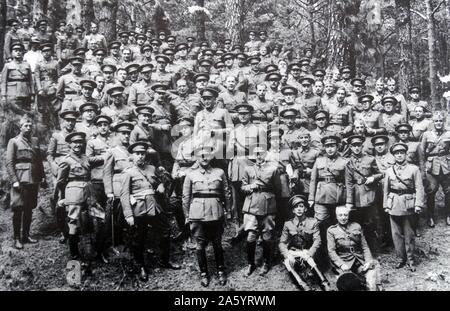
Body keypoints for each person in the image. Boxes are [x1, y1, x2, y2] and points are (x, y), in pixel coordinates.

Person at [120, 142, 181, 281]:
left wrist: (160, 185)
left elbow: (158, 181)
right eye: (137, 154)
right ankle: (141, 266)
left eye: (143, 153)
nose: (140, 156)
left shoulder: (151, 168)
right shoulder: (128, 172)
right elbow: (124, 195)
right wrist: (128, 214)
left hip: (154, 206)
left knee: (166, 230)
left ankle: (164, 260)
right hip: (139, 209)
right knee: (139, 238)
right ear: (132, 156)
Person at [182, 144, 233, 287]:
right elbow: (185, 197)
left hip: (216, 212)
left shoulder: (220, 172)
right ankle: (204, 273)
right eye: (201, 155)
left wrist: (228, 212)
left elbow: (226, 193)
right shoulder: (190, 174)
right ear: (197, 157)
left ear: (212, 156)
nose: (204, 158)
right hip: (197, 213)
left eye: (207, 155)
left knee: (217, 242)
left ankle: (221, 271)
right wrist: (187, 215)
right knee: (200, 245)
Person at [6, 115, 46, 249]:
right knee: (18, 209)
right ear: (20, 127)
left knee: (29, 209)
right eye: (25, 126)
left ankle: (26, 235)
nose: (28, 128)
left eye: (30, 125)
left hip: (33, 180)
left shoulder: (35, 141)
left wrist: (43, 177)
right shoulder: (14, 141)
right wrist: (14, 180)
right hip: (20, 180)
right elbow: (9, 163)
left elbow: (39, 161)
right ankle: (17, 238)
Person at [383, 143, 425, 271]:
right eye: (397, 153)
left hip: (408, 205)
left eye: (402, 153)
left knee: (409, 234)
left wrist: (418, 204)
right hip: (394, 203)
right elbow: (385, 190)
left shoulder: (414, 169)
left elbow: (419, 188)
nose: (399, 155)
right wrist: (386, 205)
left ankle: (411, 260)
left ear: (406, 154)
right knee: (396, 234)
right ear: (394, 156)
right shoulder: (389, 171)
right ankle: (401, 258)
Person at [241, 144, 280, 276]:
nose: (259, 156)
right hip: (251, 205)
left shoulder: (273, 169)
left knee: (267, 237)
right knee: (251, 237)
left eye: (261, 153)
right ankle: (250, 264)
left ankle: (266, 263)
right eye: (256, 153)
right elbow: (243, 187)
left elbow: (277, 189)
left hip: (268, 206)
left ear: (266, 154)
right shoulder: (248, 169)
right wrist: (251, 186)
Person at [279, 195, 330, 291]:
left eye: (301, 206)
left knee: (310, 260)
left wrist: (309, 253)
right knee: (287, 262)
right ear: (293, 210)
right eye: (296, 207)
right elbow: (282, 242)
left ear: (305, 208)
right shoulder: (288, 224)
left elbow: (317, 240)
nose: (299, 209)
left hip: (307, 251)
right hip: (294, 252)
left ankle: (324, 284)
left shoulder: (313, 222)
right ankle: (304, 286)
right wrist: (287, 254)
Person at [327, 205, 383, 291]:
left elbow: (364, 246)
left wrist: (368, 261)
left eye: (345, 215)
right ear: (336, 216)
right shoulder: (332, 231)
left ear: (348, 215)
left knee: (371, 273)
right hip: (344, 262)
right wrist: (341, 264)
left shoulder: (356, 226)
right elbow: (331, 251)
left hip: (359, 260)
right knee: (348, 283)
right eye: (340, 215)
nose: (343, 218)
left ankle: (373, 287)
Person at [344, 134, 383, 251]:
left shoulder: (370, 159)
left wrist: (373, 178)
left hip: (369, 195)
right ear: (350, 147)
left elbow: (380, 173)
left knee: (371, 222)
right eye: (354, 146)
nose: (356, 148)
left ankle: (374, 248)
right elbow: (349, 183)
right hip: (356, 196)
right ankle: (360, 248)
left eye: (359, 145)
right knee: (357, 223)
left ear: (362, 146)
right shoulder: (348, 163)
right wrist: (349, 202)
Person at [420, 111, 450, 227]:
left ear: (444, 122)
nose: (438, 123)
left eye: (440, 121)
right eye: (436, 121)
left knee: (449, 191)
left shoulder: (448, 134)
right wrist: (423, 170)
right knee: (431, 191)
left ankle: (448, 215)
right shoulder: (427, 134)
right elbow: (422, 153)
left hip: (446, 167)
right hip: (431, 167)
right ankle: (430, 216)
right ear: (432, 122)